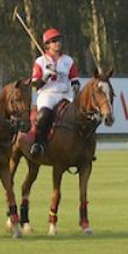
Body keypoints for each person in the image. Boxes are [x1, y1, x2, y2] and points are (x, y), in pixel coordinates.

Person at [30, 27, 80, 158]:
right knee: (44, 115)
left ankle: (81, 147)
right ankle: (38, 144)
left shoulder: (68, 60)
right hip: (48, 94)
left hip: (65, 94)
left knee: (79, 116)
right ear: (47, 45)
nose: (57, 43)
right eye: (53, 41)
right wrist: (46, 76)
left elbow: (74, 80)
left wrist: (75, 88)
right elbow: (35, 85)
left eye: (58, 40)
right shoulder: (40, 62)